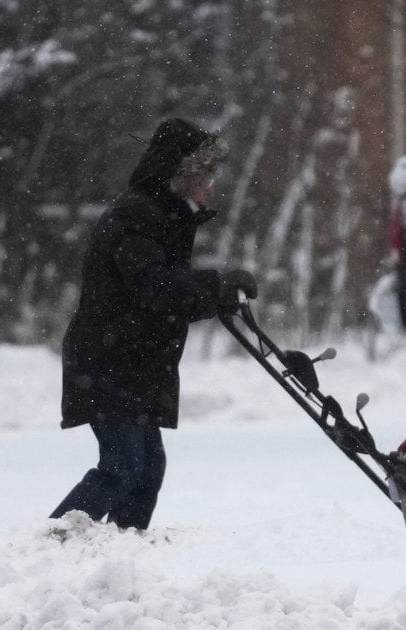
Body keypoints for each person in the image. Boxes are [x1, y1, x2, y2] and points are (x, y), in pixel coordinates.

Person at [50, 118, 257, 530]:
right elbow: (155, 288)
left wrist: (216, 293)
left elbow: (165, 294)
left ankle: (121, 554)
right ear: (181, 174)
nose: (210, 186)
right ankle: (51, 548)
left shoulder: (164, 215)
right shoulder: (137, 215)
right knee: (124, 465)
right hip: (109, 360)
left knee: (147, 469)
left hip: (135, 360)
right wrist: (216, 286)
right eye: (205, 175)